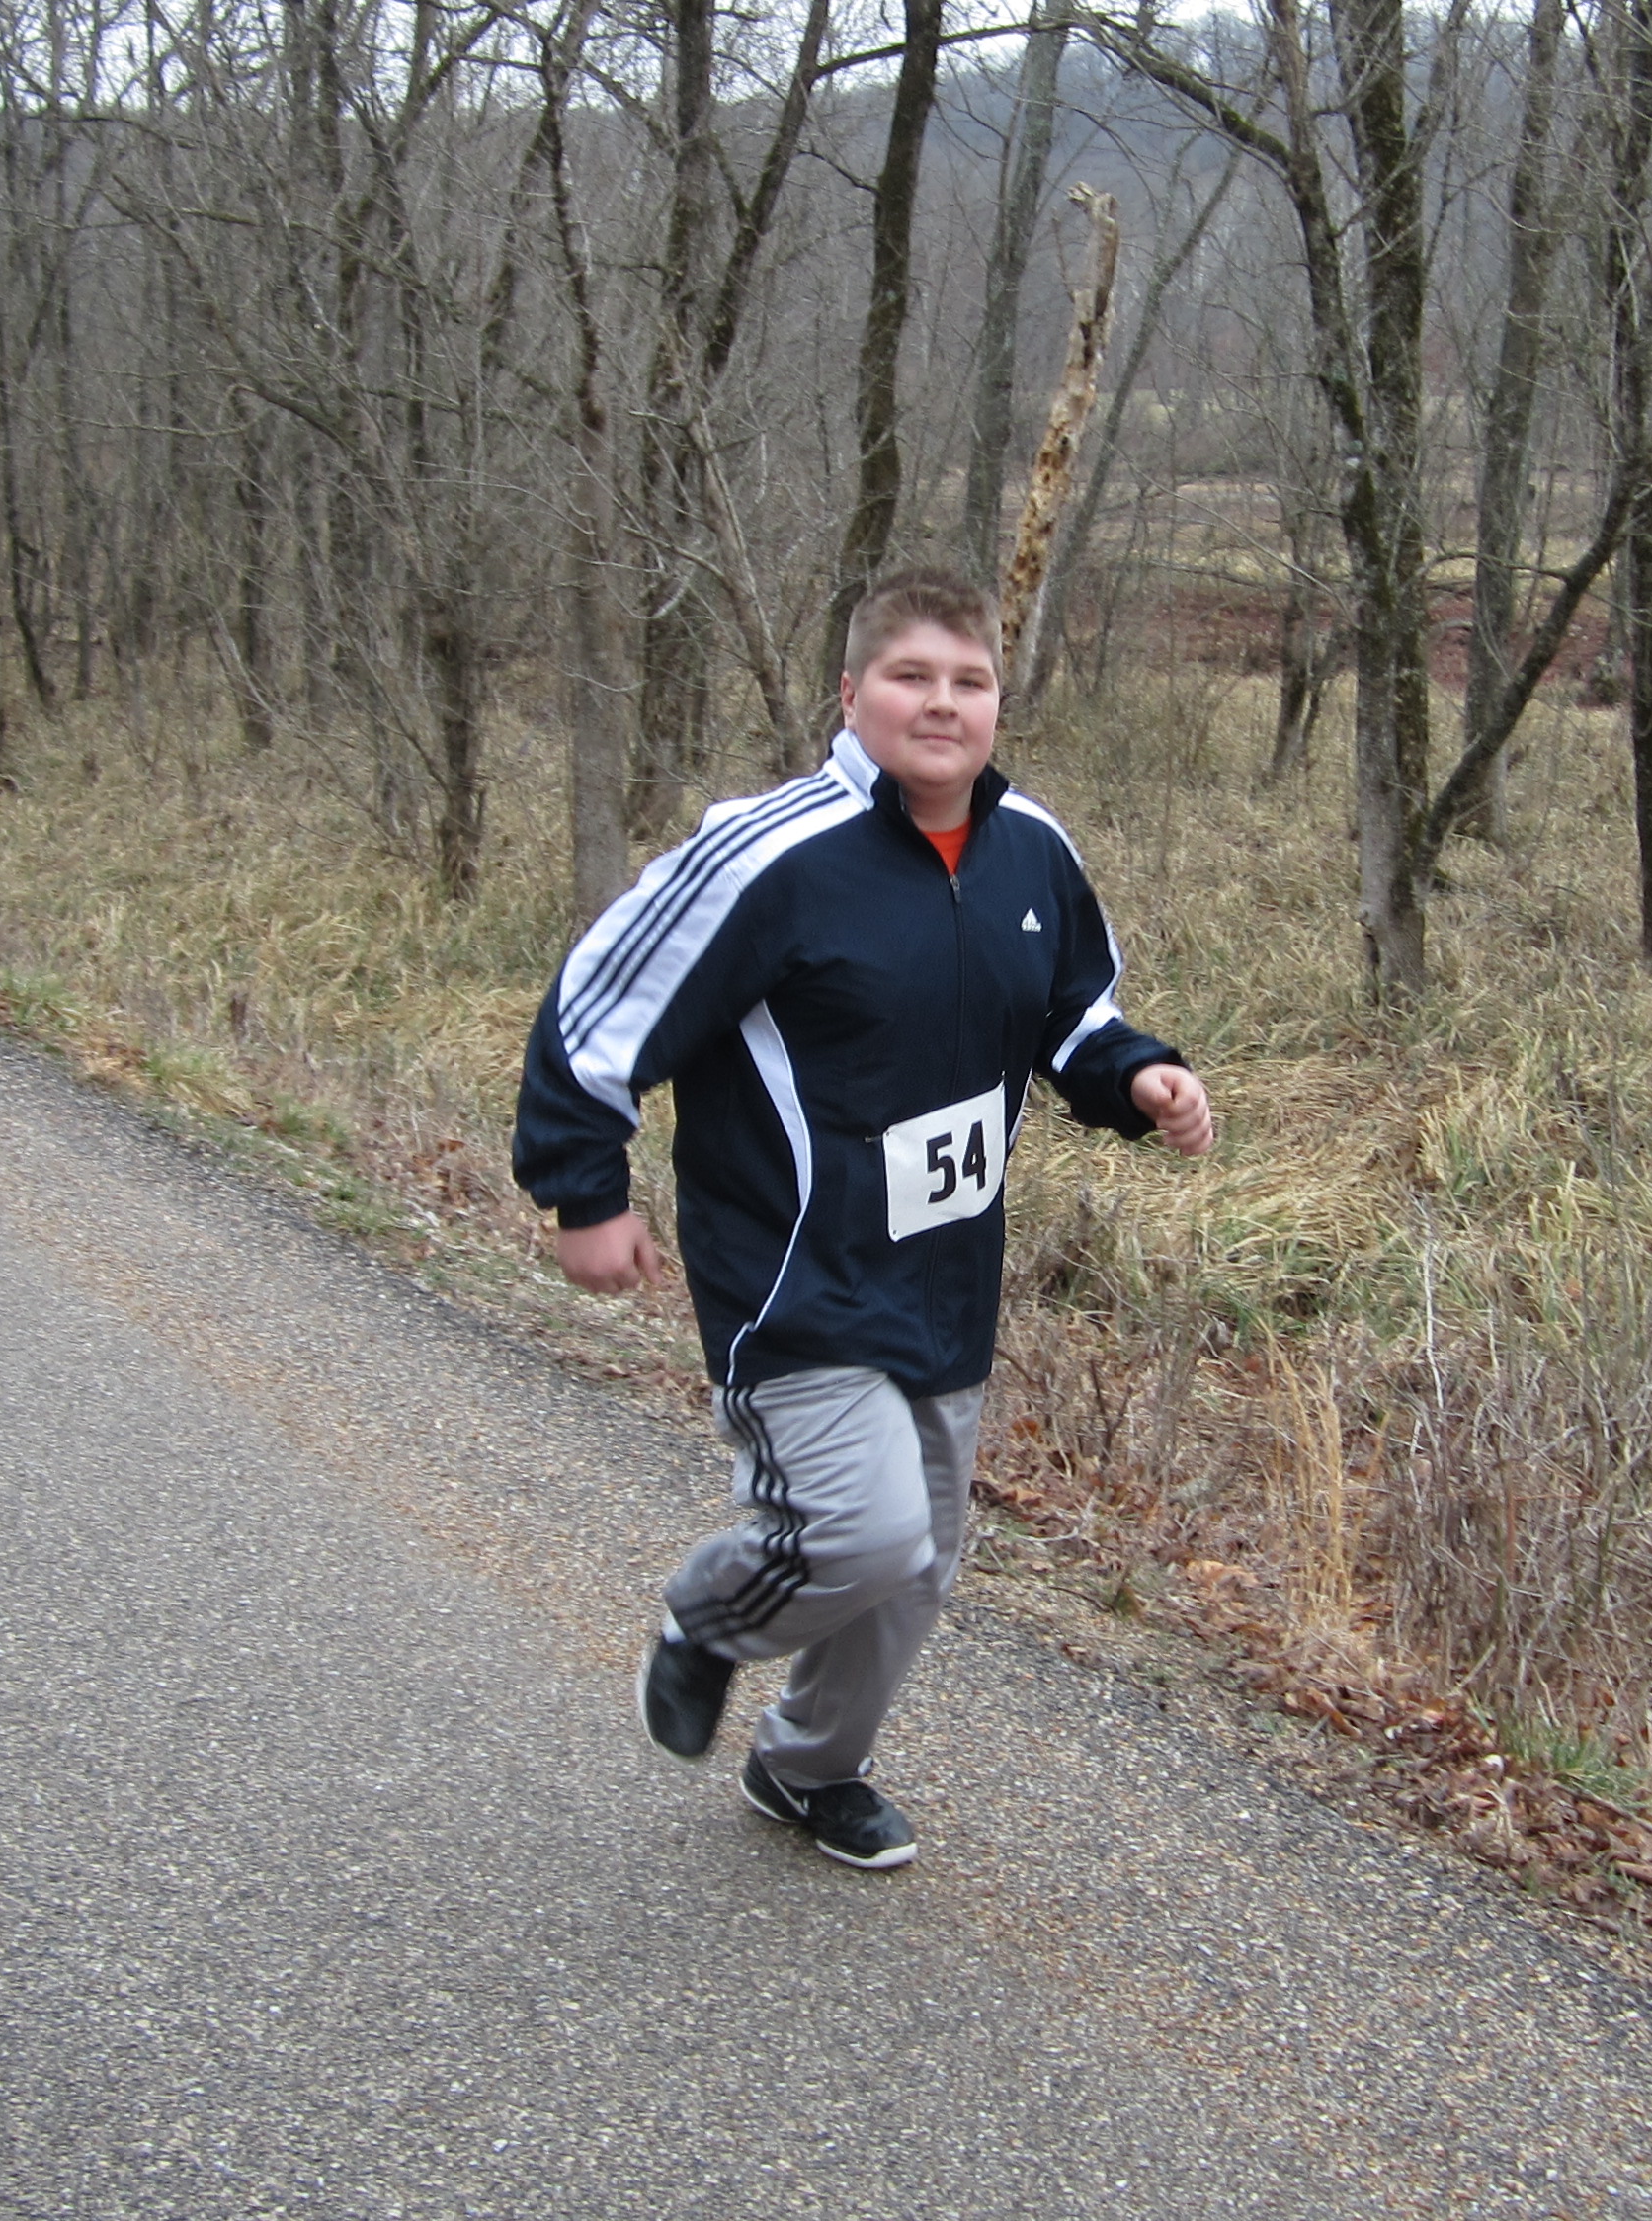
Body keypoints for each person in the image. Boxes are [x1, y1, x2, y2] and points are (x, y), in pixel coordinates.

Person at [512, 567, 1217, 1870]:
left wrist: (1136, 1075)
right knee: (861, 1529)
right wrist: (584, 1190)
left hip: (943, 1275)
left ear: (999, 700)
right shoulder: (771, 854)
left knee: (919, 1562)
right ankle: (711, 1617)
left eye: (970, 680)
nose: (942, 704)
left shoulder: (1030, 850)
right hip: (792, 1271)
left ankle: (805, 1769)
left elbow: (1073, 1009)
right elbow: (595, 1006)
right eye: (911, 676)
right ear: (850, 695)